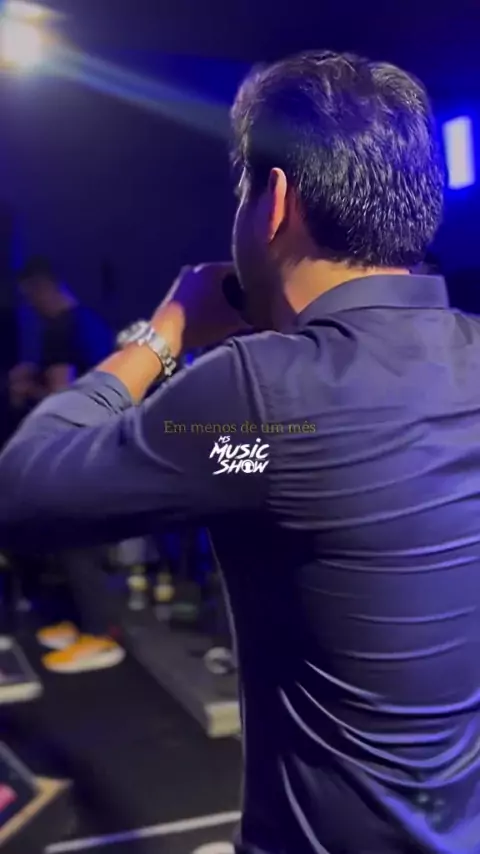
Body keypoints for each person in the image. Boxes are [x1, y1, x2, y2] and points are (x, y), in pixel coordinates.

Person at [0, 49, 478, 854]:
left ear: (275, 200)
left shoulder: (260, 397)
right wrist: (232, 453)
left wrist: (164, 334)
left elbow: (21, 488)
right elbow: (267, 466)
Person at [9, 256, 124, 673]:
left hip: (78, 449)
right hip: (100, 445)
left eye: (30, 297)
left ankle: (100, 636)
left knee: (77, 543)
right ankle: (81, 623)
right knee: (67, 538)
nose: (31, 306)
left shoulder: (62, 328)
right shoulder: (89, 323)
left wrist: (25, 389)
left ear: (43, 287)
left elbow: (61, 398)